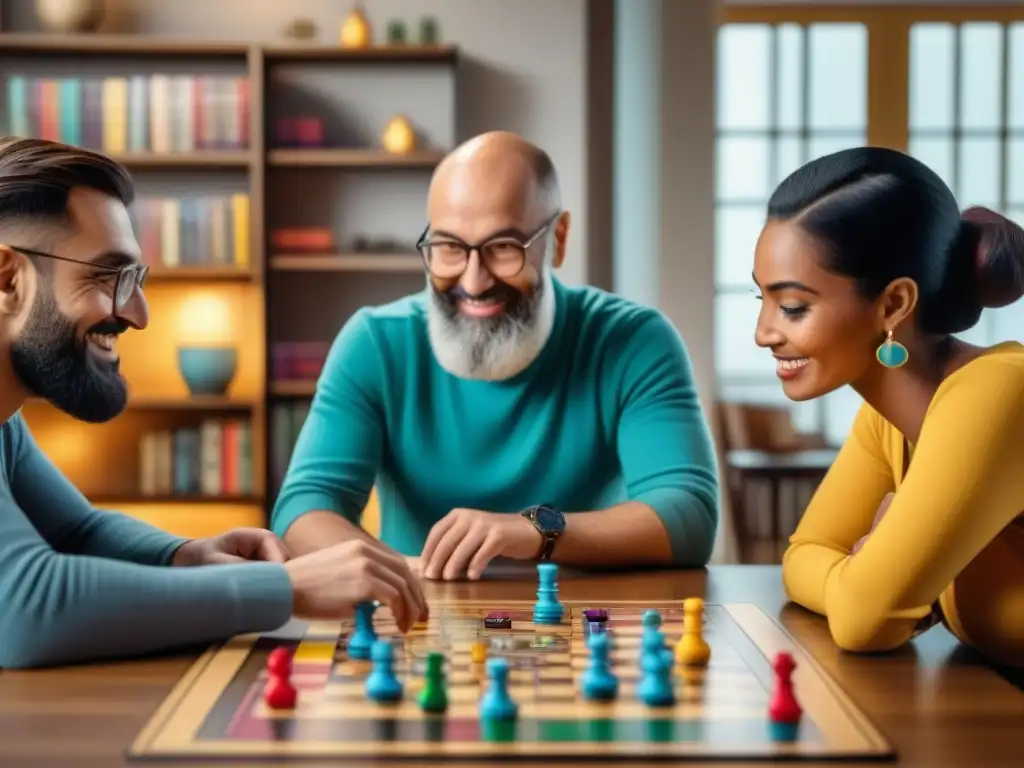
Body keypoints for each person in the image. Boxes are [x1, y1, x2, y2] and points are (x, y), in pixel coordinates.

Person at [0, 137, 427, 670]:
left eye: (134, 279)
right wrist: (283, 588)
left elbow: (76, 532)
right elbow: (22, 609)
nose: (139, 314)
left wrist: (186, 556)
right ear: (8, 279)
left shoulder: (5, 425)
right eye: (109, 276)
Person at [271, 131, 719, 579]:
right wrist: (404, 574)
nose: (474, 280)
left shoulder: (635, 341)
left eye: (503, 247)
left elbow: (688, 513)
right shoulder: (375, 343)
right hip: (419, 611)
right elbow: (303, 512)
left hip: (582, 619)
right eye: (448, 247)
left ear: (558, 239)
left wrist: (535, 531)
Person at [753, 145, 1024, 666]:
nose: (764, 333)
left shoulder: (998, 395)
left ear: (894, 304)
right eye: (761, 300)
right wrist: (867, 576)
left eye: (791, 307)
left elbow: (865, 622)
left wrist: (873, 579)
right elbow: (802, 556)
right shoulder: (886, 421)